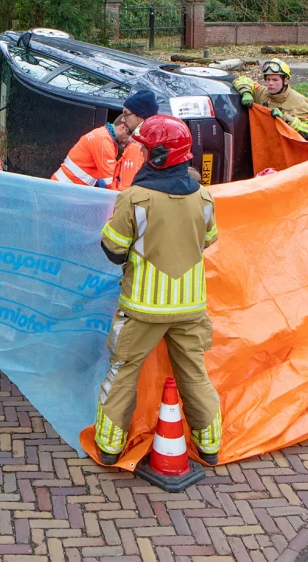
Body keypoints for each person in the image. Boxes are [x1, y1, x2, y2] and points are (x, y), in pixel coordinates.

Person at [94, 115, 222, 466]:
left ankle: (108, 446)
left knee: (122, 373)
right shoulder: (206, 198)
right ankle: (209, 446)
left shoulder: (134, 198)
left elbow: (113, 249)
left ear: (160, 155)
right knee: (194, 374)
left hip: (143, 309)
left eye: (147, 149)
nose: (143, 153)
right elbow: (208, 241)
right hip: (191, 307)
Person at [231, 59, 308, 139]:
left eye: (275, 80)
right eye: (268, 79)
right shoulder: (261, 92)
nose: (270, 83)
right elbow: (241, 79)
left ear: (286, 80)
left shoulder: (300, 101)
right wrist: (246, 92)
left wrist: (285, 118)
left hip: (286, 151)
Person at [52, 116, 132, 187]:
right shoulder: (104, 141)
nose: (130, 141)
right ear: (123, 128)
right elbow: (110, 182)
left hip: (64, 187)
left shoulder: (102, 135)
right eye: (130, 136)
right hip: (65, 189)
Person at [107, 90, 160, 190]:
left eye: (126, 114)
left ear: (141, 117)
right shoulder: (142, 145)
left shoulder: (137, 149)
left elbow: (125, 192)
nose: (122, 120)